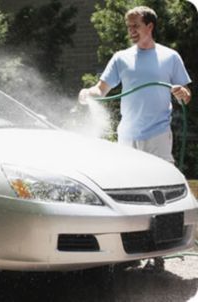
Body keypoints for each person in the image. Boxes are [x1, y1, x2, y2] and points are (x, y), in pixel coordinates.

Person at [78, 6, 192, 270]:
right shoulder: (121, 58)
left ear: (149, 26)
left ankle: (161, 253)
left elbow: (185, 92)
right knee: (128, 194)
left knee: (164, 191)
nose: (130, 31)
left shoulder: (170, 56)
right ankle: (130, 252)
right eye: (128, 26)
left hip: (159, 134)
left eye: (135, 26)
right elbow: (101, 88)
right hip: (128, 135)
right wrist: (87, 93)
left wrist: (182, 93)